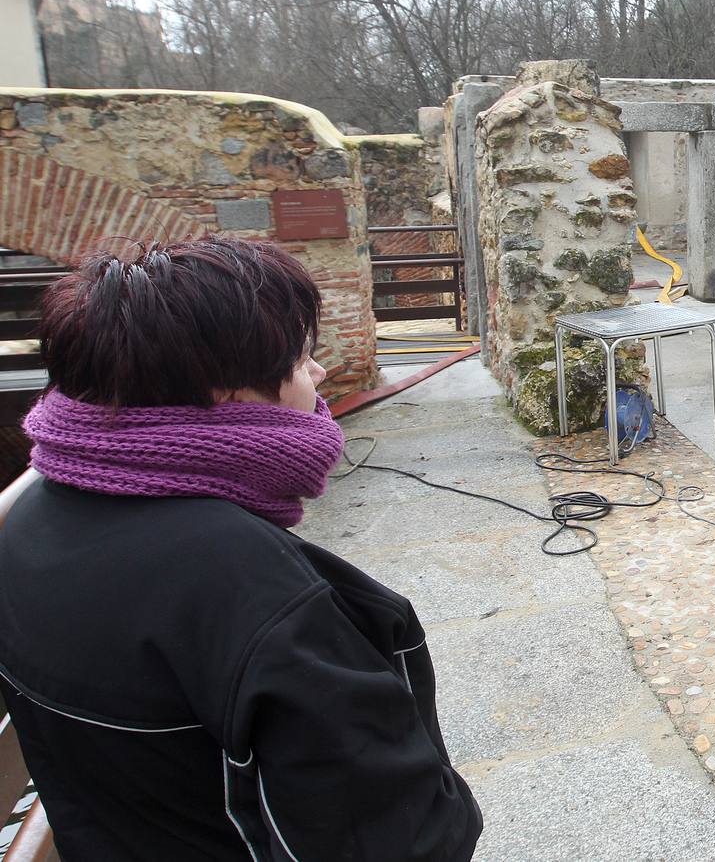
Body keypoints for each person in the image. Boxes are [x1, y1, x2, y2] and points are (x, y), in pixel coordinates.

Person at [0, 237, 482, 861]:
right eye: (302, 357)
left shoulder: (32, 517)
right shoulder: (248, 588)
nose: (320, 374)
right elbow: (404, 838)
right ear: (227, 390)